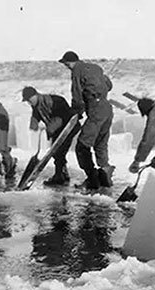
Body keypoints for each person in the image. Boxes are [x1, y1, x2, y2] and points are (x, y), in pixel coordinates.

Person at [58, 51, 115, 191]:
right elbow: (108, 84)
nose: (67, 67)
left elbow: (76, 93)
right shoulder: (95, 67)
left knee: (82, 146)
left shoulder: (77, 71)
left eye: (66, 64)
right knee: (100, 143)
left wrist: (77, 111)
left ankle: (92, 179)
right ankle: (105, 171)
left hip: (96, 110)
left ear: (70, 62)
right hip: (107, 108)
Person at [22, 86, 81, 186]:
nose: (29, 102)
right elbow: (35, 116)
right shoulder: (36, 106)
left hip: (69, 127)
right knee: (57, 153)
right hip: (57, 130)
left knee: (59, 152)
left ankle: (59, 176)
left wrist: (49, 128)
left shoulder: (55, 101)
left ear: (35, 95)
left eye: (29, 100)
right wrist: (34, 124)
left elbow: (61, 118)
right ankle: (62, 174)